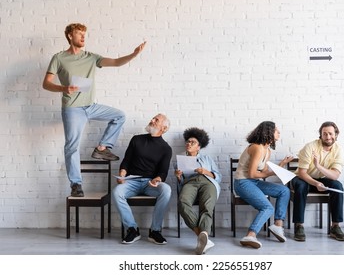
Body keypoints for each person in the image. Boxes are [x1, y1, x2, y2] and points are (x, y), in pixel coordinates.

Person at [42, 23, 146, 197]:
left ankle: (102, 148)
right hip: (72, 109)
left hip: (90, 106)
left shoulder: (91, 57)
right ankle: (76, 184)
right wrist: (63, 88)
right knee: (72, 147)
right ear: (69, 36)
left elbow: (116, 62)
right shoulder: (59, 58)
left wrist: (133, 54)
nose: (83, 37)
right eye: (79, 34)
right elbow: (46, 83)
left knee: (119, 115)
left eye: (85, 34)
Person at [112, 114, 172, 245]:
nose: (152, 120)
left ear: (164, 128)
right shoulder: (136, 140)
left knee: (166, 189)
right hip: (131, 181)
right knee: (117, 192)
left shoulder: (166, 148)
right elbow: (126, 161)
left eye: (156, 120)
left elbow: (163, 172)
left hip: (150, 183)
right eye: (152, 118)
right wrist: (122, 174)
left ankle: (155, 231)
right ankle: (132, 229)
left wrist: (157, 179)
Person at [234, 121, 293, 249]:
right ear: (268, 132)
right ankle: (250, 235)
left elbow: (264, 171)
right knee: (268, 208)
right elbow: (251, 173)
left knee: (284, 191)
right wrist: (267, 175)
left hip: (254, 182)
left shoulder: (267, 151)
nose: (279, 133)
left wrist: (282, 164)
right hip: (242, 182)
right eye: (276, 130)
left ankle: (277, 226)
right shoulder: (256, 147)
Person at [291, 121, 344, 242]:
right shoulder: (310, 147)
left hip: (321, 179)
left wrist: (318, 166)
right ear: (320, 135)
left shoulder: (338, 150)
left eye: (330, 133)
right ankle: (299, 225)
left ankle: (335, 226)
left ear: (336, 134)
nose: (328, 137)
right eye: (324, 134)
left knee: (338, 186)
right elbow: (302, 173)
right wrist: (316, 183)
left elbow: (335, 175)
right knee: (301, 186)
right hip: (302, 178)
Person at [175, 127, 222, 255]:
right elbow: (180, 182)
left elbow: (218, 176)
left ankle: (204, 236)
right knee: (182, 202)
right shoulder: (180, 160)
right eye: (188, 142)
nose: (188, 144)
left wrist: (205, 171)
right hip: (190, 182)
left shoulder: (207, 159)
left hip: (207, 181)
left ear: (198, 147)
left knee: (207, 206)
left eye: (192, 142)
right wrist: (178, 176)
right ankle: (202, 236)